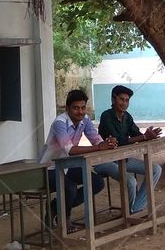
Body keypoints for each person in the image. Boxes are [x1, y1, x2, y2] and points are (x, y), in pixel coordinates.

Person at [38, 89, 118, 232]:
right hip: (49, 168)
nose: (80, 112)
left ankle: (55, 207)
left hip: (67, 166)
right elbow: (70, 149)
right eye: (76, 108)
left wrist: (107, 143)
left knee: (97, 182)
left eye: (83, 108)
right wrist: (99, 147)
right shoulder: (59, 123)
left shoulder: (85, 119)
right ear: (67, 108)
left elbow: (95, 139)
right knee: (70, 188)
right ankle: (65, 219)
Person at [97, 85, 163, 215]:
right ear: (113, 99)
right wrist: (144, 137)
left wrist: (148, 135)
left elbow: (136, 134)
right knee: (131, 181)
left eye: (127, 100)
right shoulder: (106, 116)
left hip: (124, 159)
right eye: (121, 99)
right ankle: (131, 214)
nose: (124, 103)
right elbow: (117, 140)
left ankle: (134, 210)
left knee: (156, 169)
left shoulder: (127, 116)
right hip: (106, 161)